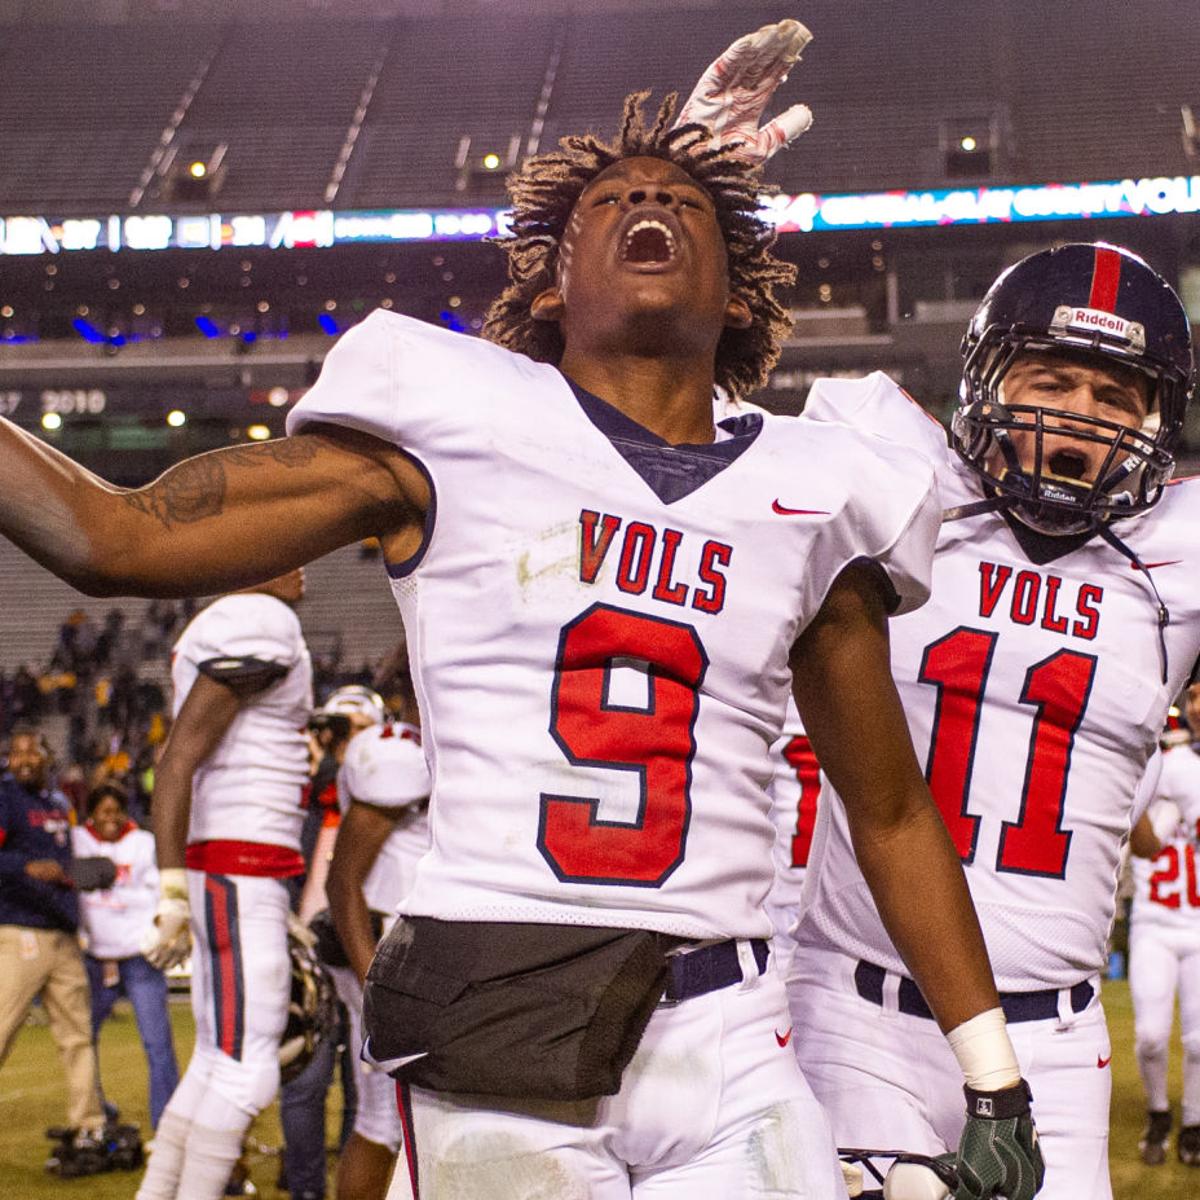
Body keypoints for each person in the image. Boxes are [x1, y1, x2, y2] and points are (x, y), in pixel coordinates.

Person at [0, 22, 1042, 1199]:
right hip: (504, 1026)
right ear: (550, 277)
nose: (650, 202)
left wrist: (995, 1077)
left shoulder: (812, 488)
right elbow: (118, 536)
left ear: (740, 287)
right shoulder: (452, 426)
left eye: (684, 204)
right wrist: (669, 186)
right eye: (612, 200)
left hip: (736, 1033)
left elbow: (891, 812)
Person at [788, 238, 1198, 1200]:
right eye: (1051, 380)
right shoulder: (900, 481)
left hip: (1059, 1040)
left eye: (1115, 397)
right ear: (986, 381)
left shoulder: (1177, 555)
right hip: (859, 1011)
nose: (1079, 414)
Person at [136, 568, 313, 1200]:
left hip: (231, 863)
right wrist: (171, 890)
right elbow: (177, 759)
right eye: (288, 550)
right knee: (247, 1070)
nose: (304, 564)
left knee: (216, 1060)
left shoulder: (221, 624)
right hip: (240, 862)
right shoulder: (260, 620)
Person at [326, 673, 430, 1200]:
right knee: (384, 1121)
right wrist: (375, 983)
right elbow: (342, 880)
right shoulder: (398, 750)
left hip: (407, 942)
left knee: (411, 1120)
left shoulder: (426, 747)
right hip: (388, 943)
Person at [0, 727, 108, 1171]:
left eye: (32, 752)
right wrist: (26, 865)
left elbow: (64, 866)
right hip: (20, 932)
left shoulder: (58, 804)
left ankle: (89, 1125)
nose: (24, 759)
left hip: (63, 935)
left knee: (78, 1038)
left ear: (47, 756)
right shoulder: (5, 797)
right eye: (16, 753)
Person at [73, 780, 179, 1130]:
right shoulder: (77, 840)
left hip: (138, 955)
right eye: (104, 811)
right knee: (84, 1040)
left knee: (157, 1042)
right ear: (91, 814)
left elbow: (158, 893)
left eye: (117, 811)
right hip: (94, 957)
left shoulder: (143, 843)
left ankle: (166, 1121)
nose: (111, 818)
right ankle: (97, 1111)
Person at [1128, 686, 1200, 1167]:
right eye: (1191, 696)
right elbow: (1143, 842)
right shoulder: (1167, 762)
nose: (1196, 706)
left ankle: (1193, 1121)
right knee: (1151, 1036)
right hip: (1156, 918)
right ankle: (1158, 1112)